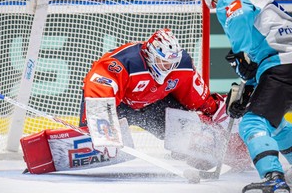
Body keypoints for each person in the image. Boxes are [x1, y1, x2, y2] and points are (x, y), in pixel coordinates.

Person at [79, 28, 250, 170]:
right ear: (151, 55)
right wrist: (102, 129)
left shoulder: (181, 65)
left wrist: (219, 118)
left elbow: (200, 99)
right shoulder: (124, 62)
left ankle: (206, 151)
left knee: (193, 125)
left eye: (171, 64)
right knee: (92, 139)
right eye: (163, 63)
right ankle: (86, 134)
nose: (168, 68)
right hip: (119, 106)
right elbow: (99, 90)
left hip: (153, 107)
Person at [203, 0, 292, 193]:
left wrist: (241, 55)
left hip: (283, 64)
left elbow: (239, 16)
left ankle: (274, 178)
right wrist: (250, 89)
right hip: (281, 64)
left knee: (253, 122)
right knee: (275, 123)